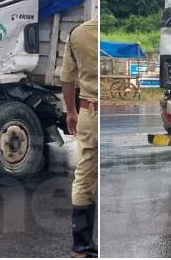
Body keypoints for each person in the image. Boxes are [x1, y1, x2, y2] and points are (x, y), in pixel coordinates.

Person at [60, 15, 98, 258]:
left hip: (90, 112)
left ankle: (81, 248)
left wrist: (71, 111)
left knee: (84, 176)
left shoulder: (78, 33)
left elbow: (67, 78)